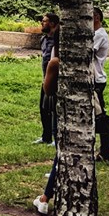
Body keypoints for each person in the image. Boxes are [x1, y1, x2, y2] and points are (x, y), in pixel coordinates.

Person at [33, 49, 60, 215]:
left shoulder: (55, 62)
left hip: (61, 109)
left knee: (61, 154)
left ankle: (45, 198)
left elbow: (48, 89)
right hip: (82, 114)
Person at [35, 13, 60, 145]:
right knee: (44, 108)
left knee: (55, 109)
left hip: (55, 80)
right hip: (46, 78)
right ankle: (46, 136)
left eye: (44, 21)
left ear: (52, 23)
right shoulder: (43, 39)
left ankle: (56, 136)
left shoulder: (58, 41)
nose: (42, 23)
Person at [92, 7, 109, 162]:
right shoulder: (95, 34)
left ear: (97, 17)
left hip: (97, 80)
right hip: (94, 78)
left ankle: (105, 151)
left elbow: (88, 52)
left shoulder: (99, 35)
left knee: (100, 116)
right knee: (95, 115)